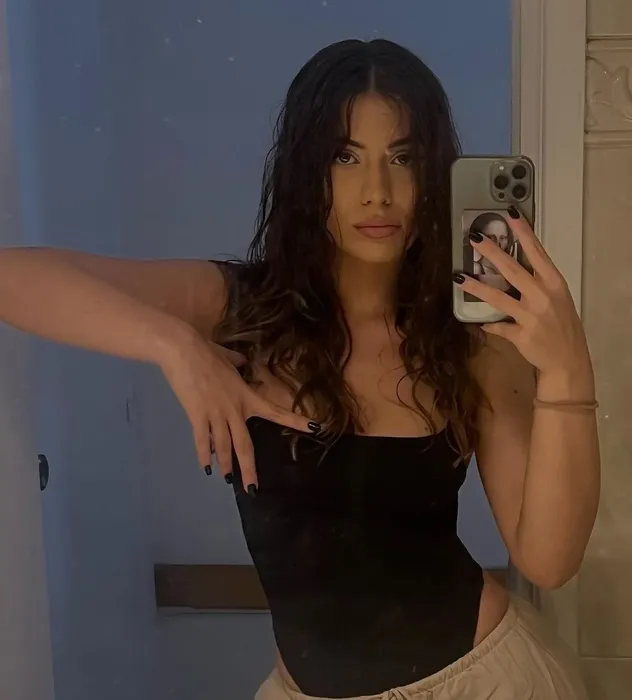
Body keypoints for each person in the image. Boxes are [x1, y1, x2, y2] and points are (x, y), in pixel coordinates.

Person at [0, 39, 598, 699]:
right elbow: (12, 279)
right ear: (306, 171)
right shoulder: (239, 307)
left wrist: (568, 371)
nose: (377, 192)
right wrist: (174, 345)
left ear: (434, 176)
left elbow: (548, 559)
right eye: (346, 157)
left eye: (403, 158)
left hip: (481, 684)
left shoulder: (471, 340)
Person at [470, 212, 515, 292]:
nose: (498, 244)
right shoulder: (476, 268)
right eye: (491, 238)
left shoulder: (514, 267)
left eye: (502, 238)